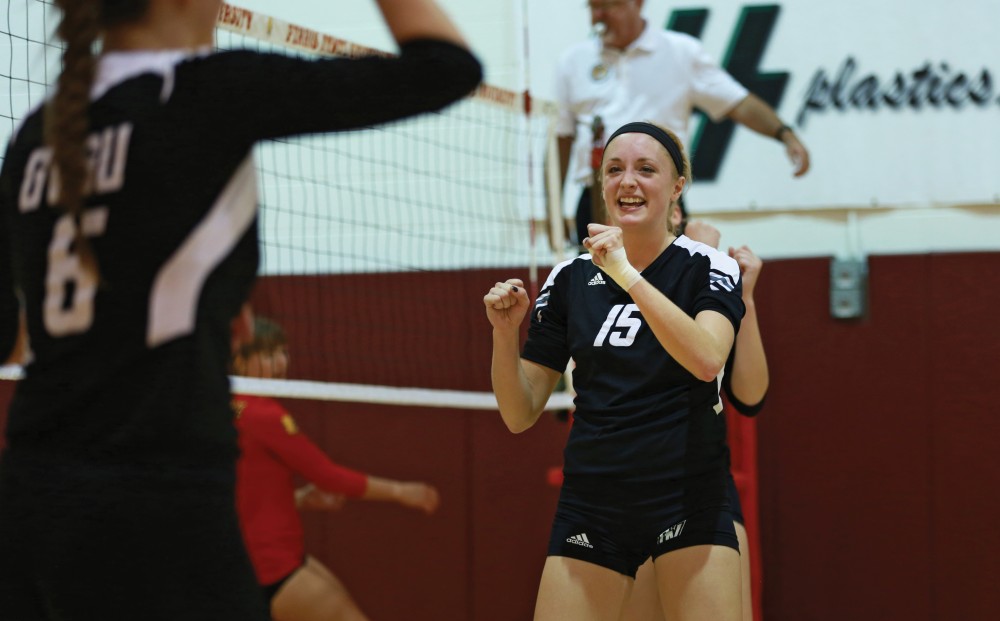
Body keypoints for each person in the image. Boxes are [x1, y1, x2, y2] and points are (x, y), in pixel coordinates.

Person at [0, 1, 480, 619]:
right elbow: (445, 67)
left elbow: (11, 338)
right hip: (157, 497)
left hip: (31, 500)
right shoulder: (211, 89)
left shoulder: (34, 135)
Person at [485, 121, 745, 621]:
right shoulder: (568, 278)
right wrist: (504, 335)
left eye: (646, 169)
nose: (627, 182)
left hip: (686, 493)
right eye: (614, 170)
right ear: (601, 186)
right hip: (595, 499)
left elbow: (707, 358)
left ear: (676, 188)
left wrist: (625, 273)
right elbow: (519, 413)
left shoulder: (707, 265)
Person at [232, 316, 439, 621]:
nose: (280, 362)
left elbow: (241, 495)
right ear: (239, 361)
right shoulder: (264, 414)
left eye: (283, 352)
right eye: (268, 354)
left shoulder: (227, 408)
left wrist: (301, 499)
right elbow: (327, 475)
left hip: (255, 562)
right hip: (271, 567)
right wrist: (401, 492)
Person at [556, 0, 810, 245]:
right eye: (593, 6)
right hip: (596, 197)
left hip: (659, 196)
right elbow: (563, 137)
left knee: (666, 283)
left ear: (638, 3)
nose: (599, 15)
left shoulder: (680, 52)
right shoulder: (573, 61)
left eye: (610, 5)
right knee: (595, 285)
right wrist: (553, 208)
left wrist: (784, 134)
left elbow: (736, 102)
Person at [623, 212, 769, 621]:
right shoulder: (594, 283)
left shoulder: (708, 281)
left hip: (701, 491)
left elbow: (750, 396)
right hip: (621, 498)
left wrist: (745, 298)